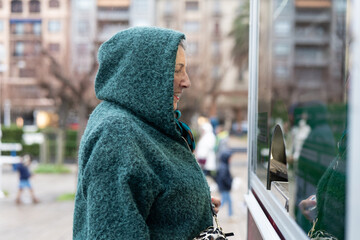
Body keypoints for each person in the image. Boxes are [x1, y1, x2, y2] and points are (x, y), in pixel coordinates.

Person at [73, 27, 221, 240]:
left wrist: (194, 207)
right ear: (144, 73)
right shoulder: (116, 133)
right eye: (177, 69)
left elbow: (152, 197)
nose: (186, 81)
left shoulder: (143, 123)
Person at [215, 150, 233, 218]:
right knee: (223, 202)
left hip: (224, 187)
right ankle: (213, 211)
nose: (230, 160)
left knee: (229, 201)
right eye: (229, 158)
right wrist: (229, 183)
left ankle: (230, 214)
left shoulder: (224, 165)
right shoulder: (224, 167)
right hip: (224, 188)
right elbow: (224, 178)